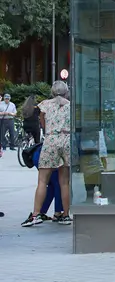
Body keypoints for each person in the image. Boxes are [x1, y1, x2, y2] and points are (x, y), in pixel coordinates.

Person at [22, 81, 72, 226]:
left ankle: (36, 214)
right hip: (66, 140)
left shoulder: (45, 104)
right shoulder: (70, 105)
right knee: (64, 182)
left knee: (43, 180)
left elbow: (43, 124)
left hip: (51, 140)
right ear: (66, 91)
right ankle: (65, 215)